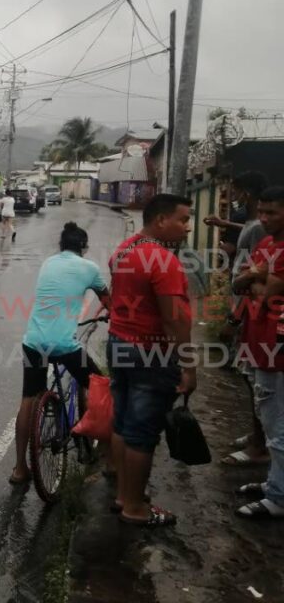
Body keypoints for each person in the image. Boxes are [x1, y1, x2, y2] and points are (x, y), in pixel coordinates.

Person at [107, 193, 195, 527]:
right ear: (161, 221)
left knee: (123, 421)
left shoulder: (124, 250)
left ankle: (122, 495)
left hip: (119, 343)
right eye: (183, 220)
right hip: (150, 352)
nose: (187, 228)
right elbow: (175, 320)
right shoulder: (163, 261)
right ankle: (135, 508)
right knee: (142, 433)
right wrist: (189, 367)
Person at [10, 222, 109, 485]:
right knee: (98, 383)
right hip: (64, 345)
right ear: (84, 247)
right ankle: (88, 438)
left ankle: (20, 468)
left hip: (34, 342)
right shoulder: (90, 269)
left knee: (28, 399)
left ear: (61, 245)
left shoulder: (48, 263)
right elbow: (109, 300)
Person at [233, 186, 284, 519]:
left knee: (280, 427)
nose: (263, 219)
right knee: (270, 420)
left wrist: (258, 281)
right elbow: (241, 285)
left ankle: (278, 499)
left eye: (272, 213)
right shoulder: (265, 244)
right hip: (257, 341)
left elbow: (268, 295)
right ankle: (275, 483)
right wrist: (256, 276)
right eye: (261, 212)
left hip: (278, 347)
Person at [218, 172, 270, 467]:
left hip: (249, 313)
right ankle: (256, 436)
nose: (234, 196)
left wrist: (234, 318)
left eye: (236, 191)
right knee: (252, 377)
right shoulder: (253, 226)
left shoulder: (256, 231)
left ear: (246, 194)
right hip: (246, 311)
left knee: (253, 378)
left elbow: (249, 279)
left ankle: (259, 443)